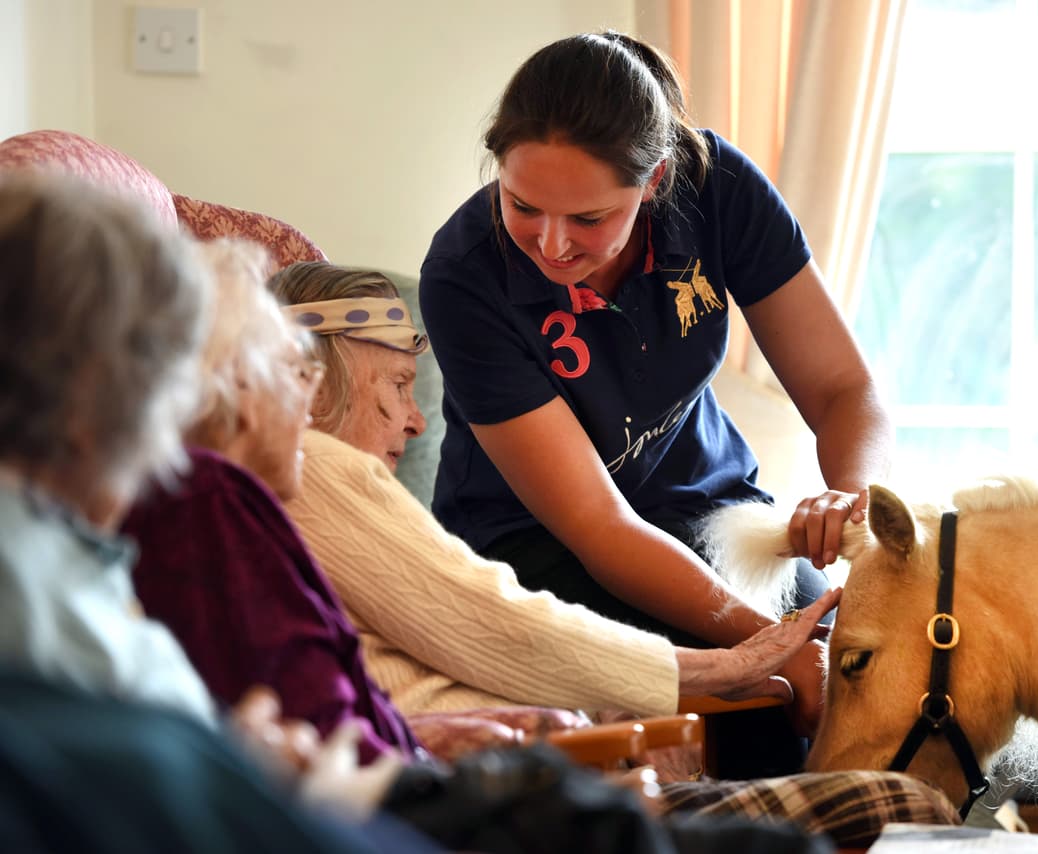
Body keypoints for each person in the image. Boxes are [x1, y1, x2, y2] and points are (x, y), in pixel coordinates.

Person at [269, 261, 959, 845]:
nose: (418, 419)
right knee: (909, 812)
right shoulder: (316, 466)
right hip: (507, 801)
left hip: (542, 782)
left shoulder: (301, 501)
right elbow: (498, 623)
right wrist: (730, 661)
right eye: (396, 388)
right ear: (311, 385)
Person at [417, 31, 892, 775]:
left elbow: (844, 390)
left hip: (714, 509)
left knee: (865, 678)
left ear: (655, 180)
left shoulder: (717, 187)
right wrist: (766, 646)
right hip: (538, 545)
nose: (551, 244)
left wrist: (858, 512)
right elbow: (599, 528)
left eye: (588, 219)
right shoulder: (463, 277)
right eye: (523, 204)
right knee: (758, 717)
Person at [0, 172, 433, 854]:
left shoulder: (72, 549)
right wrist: (262, 777)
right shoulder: (52, 566)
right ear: (92, 400)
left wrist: (235, 754)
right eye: (161, 381)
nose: (170, 421)